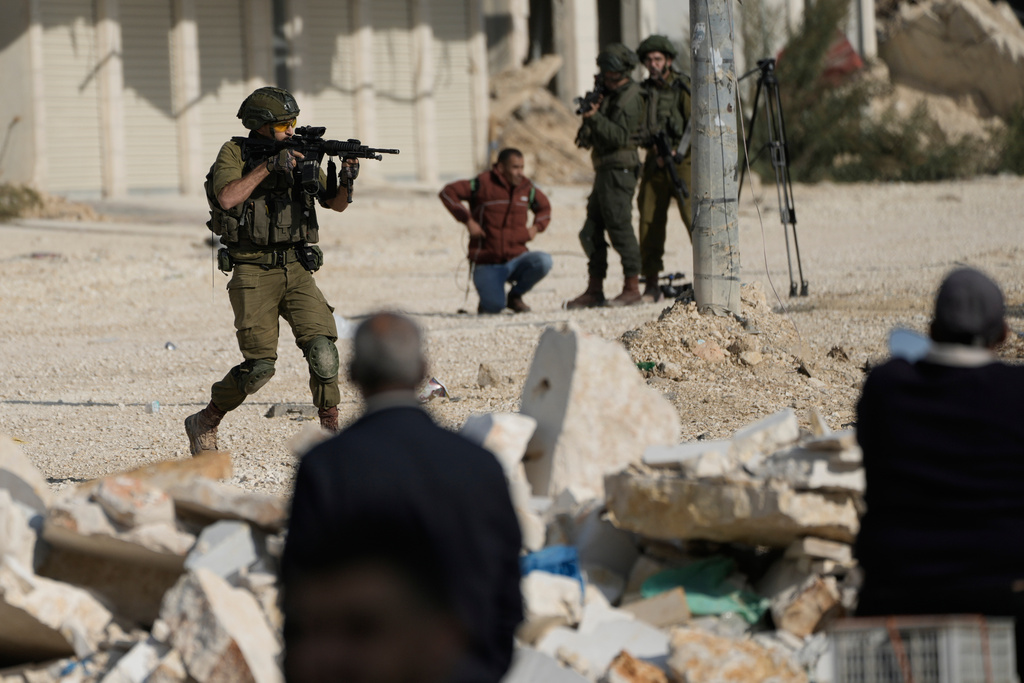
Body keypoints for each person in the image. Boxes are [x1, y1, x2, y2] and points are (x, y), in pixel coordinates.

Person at [281, 312, 523, 683]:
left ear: (353, 374)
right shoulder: (477, 464)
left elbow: (301, 596)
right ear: (422, 371)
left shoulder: (326, 467)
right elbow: (506, 592)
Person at [854, 267, 1024, 672]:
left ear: (931, 329)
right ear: (1003, 335)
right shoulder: (1016, 392)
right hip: (1003, 595)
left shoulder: (886, 387)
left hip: (897, 592)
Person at [184, 86, 357, 455]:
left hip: (296, 266)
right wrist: (269, 166)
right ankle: (206, 420)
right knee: (260, 368)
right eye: (283, 125)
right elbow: (227, 197)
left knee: (323, 351)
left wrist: (346, 178)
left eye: (293, 122)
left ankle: (331, 436)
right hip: (253, 270)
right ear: (260, 125)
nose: (291, 130)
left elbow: (336, 204)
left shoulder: (300, 152)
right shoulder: (235, 152)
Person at [566, 43, 647, 309]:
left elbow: (620, 136)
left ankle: (632, 288)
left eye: (611, 72)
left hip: (620, 171)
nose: (607, 77)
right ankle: (594, 289)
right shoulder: (607, 95)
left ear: (623, 71)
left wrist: (595, 117)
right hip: (604, 171)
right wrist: (591, 115)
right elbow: (587, 139)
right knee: (590, 231)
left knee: (620, 228)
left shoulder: (631, 97)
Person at [439, 148, 553, 314]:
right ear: (500, 168)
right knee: (494, 308)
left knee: (544, 261)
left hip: (516, 258)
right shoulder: (482, 183)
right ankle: (490, 298)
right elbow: (447, 193)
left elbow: (545, 208)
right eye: (515, 167)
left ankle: (515, 296)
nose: (520, 172)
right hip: (487, 262)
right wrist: (468, 220)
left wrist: (536, 227)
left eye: (522, 167)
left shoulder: (526, 187)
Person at [636, 35, 692, 303]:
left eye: (658, 59)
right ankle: (651, 284)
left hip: (684, 162)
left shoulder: (682, 87)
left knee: (695, 217)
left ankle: (711, 277)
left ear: (668, 61)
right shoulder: (642, 92)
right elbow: (636, 128)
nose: (653, 64)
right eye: (648, 60)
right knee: (649, 221)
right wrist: (655, 151)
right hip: (654, 163)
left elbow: (695, 123)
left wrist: (677, 151)